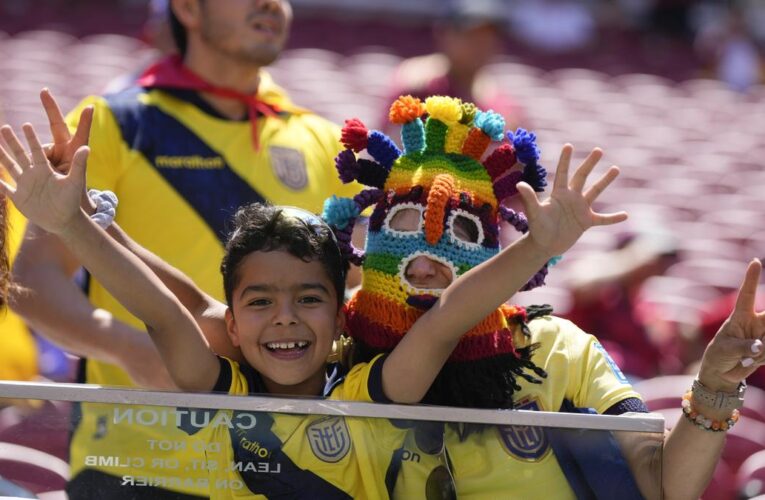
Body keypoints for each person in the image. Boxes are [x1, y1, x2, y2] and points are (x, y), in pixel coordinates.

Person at [0, 96, 623, 498]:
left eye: (308, 298)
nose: (286, 319)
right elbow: (169, 309)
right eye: (260, 303)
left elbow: (449, 316)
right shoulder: (223, 386)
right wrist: (77, 224)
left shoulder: (372, 390)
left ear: (341, 310)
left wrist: (537, 246)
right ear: (235, 328)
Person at [323, 94, 765, 499]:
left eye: (462, 230)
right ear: (372, 236)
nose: (423, 258)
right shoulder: (330, 345)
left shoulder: (560, 349)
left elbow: (662, 484)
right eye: (402, 222)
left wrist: (714, 387)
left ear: (492, 254)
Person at [9, 0, 358, 497]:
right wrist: (129, 348)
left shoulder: (327, 142)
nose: (270, 5)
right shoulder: (110, 122)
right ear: (189, 9)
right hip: (137, 466)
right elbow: (33, 283)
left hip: (286, 471)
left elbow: (354, 299)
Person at [382, 0, 526, 132]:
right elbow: (390, 149)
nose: (480, 45)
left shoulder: (503, 108)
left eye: (488, 37)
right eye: (471, 36)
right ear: (444, 34)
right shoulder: (418, 87)